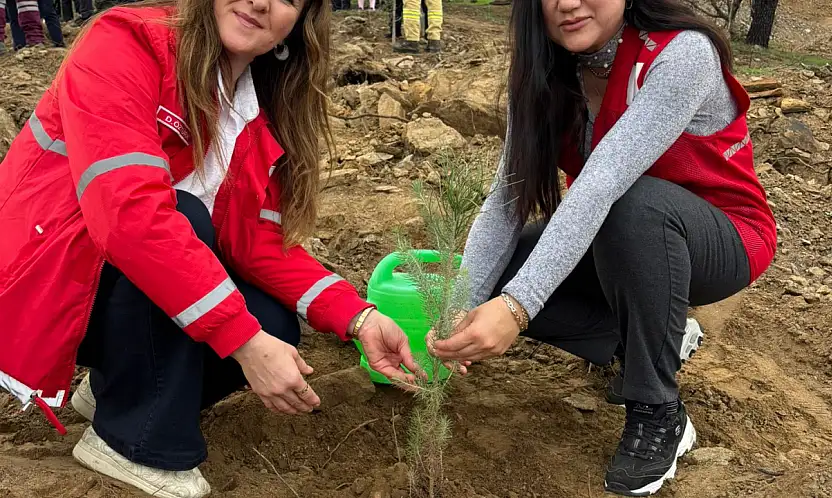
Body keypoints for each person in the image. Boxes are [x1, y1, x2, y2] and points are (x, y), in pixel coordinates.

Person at [0, 0, 423, 496]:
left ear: (299, 23)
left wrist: (358, 318)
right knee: (185, 219)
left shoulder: (253, 109)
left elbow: (259, 243)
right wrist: (242, 341)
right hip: (51, 281)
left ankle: (117, 393)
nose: (261, 2)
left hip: (118, 293)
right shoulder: (126, 42)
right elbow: (131, 217)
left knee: (275, 324)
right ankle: (133, 443)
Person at [429, 0, 776, 496]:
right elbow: (506, 201)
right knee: (504, 273)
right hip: (617, 236)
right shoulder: (545, 71)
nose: (567, 4)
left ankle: (657, 411)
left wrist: (517, 307)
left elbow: (601, 184)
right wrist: (457, 310)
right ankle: (652, 340)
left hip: (724, 236)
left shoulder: (681, 54)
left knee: (631, 205)